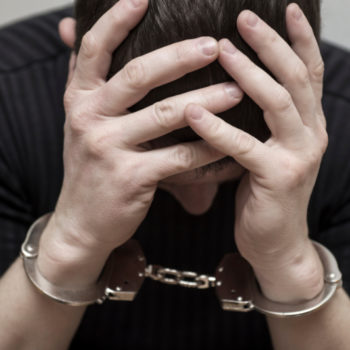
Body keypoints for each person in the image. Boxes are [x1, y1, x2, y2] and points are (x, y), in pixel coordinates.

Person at [0, 0, 350, 349]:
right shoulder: (10, 100)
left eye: (238, 171)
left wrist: (289, 263)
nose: (199, 206)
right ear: (74, 56)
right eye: (160, 174)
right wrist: (72, 242)